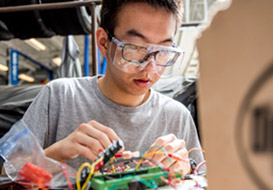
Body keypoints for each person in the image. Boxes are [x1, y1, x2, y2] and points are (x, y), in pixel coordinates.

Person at [22, 0, 204, 175]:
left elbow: (203, 180)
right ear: (103, 42)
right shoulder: (59, 97)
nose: (150, 67)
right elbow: (8, 172)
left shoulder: (176, 116)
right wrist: (56, 153)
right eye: (136, 48)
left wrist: (187, 169)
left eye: (163, 51)